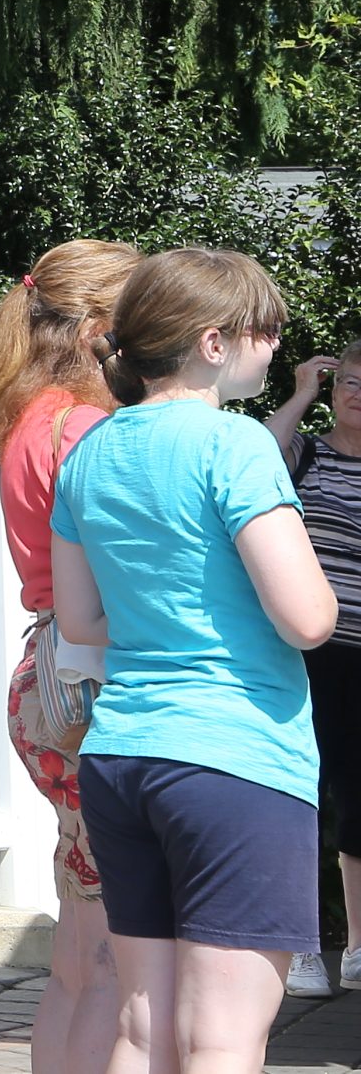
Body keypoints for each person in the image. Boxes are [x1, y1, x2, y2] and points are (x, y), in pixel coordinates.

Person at [51, 248, 337, 1074]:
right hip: (236, 758)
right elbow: (309, 617)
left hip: (123, 754)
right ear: (214, 342)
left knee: (142, 1027)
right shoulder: (236, 444)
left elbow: (80, 618)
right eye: (266, 330)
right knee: (221, 1038)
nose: (276, 345)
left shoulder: (90, 453)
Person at [0, 238, 138, 1074]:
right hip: (96, 681)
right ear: (101, 326)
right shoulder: (87, 429)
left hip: (51, 677)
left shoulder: (32, 415)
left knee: (78, 945)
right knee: (113, 953)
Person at [265, 339, 361, 997]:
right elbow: (260, 454)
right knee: (303, 790)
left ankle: (357, 947)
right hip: (310, 649)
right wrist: (299, 391)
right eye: (349, 379)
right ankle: (299, 947)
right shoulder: (309, 452)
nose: (357, 391)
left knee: (359, 801)